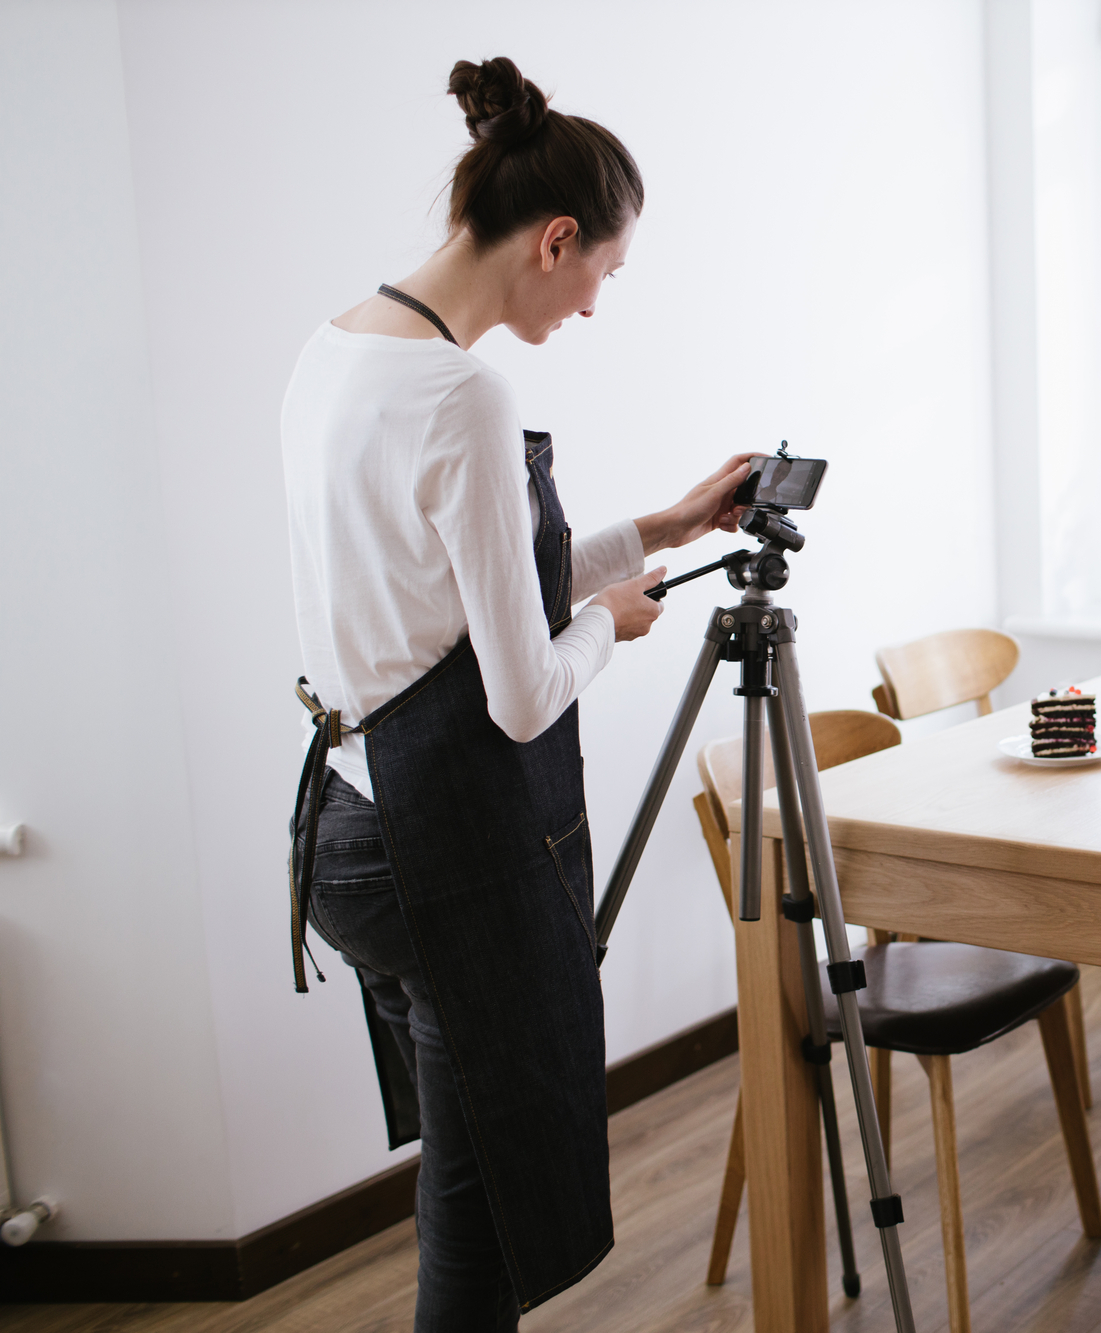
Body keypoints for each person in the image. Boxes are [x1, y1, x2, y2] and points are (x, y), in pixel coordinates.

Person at [279, 56, 749, 1329]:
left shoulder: (337, 353)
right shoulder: (464, 393)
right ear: (555, 240)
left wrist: (661, 524)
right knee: (484, 1214)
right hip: (440, 850)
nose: (594, 306)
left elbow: (459, 597)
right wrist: (612, 622)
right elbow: (525, 690)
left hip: (344, 825)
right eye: (602, 273)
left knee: (464, 1173)